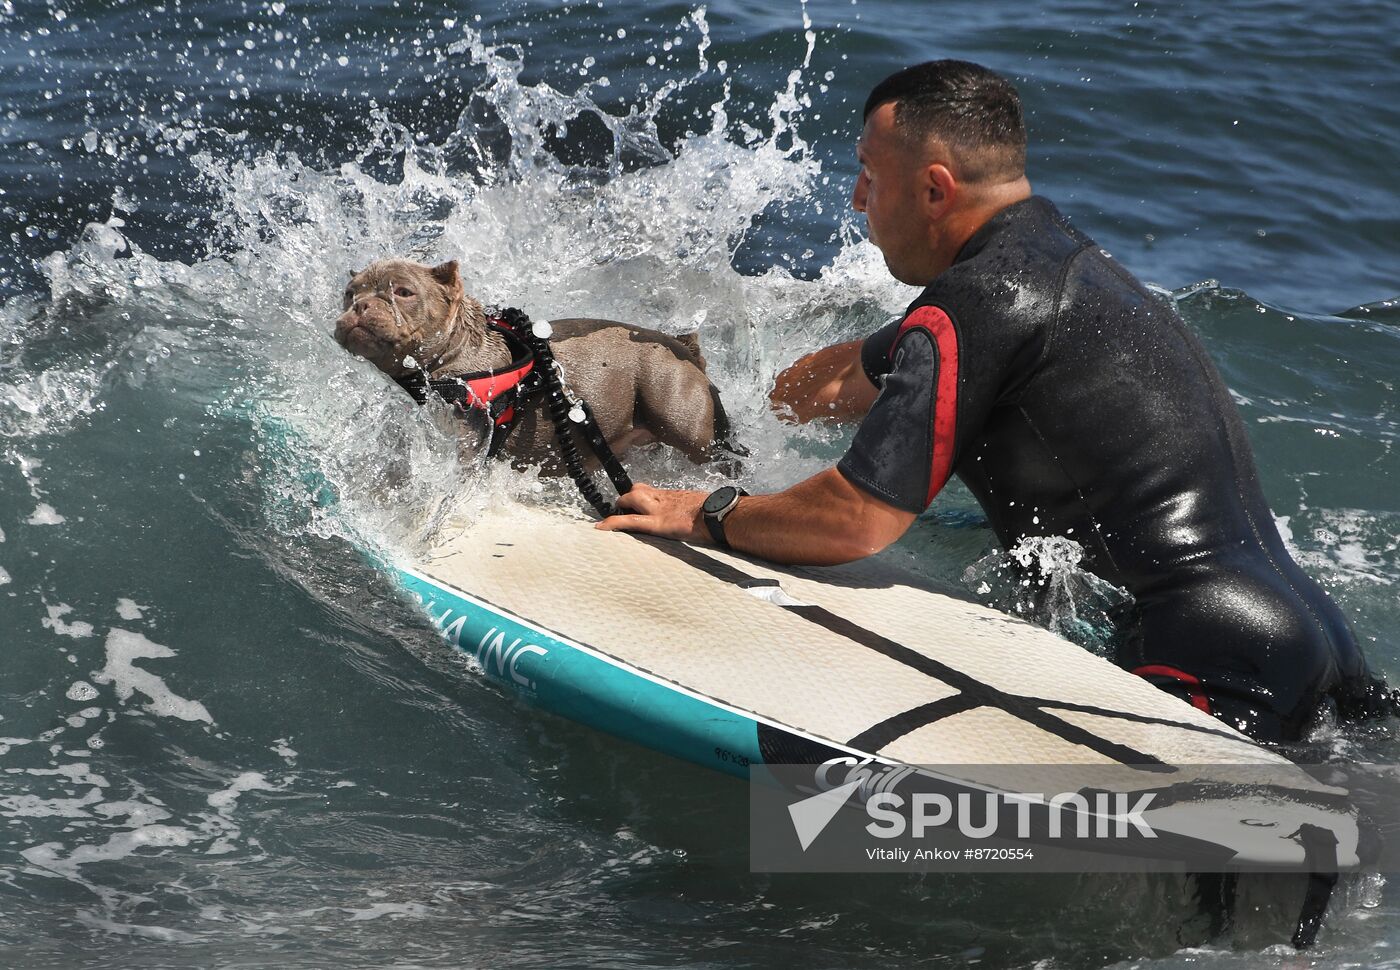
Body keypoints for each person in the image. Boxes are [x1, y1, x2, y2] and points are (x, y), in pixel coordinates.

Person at [597, 59, 1388, 743]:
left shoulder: (976, 304)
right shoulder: (1056, 266)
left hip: (1202, 662)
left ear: (934, 189)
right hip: (1310, 640)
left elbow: (854, 521)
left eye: (869, 174)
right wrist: (750, 407)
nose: (854, 199)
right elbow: (839, 380)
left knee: (1208, 898)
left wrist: (705, 510)